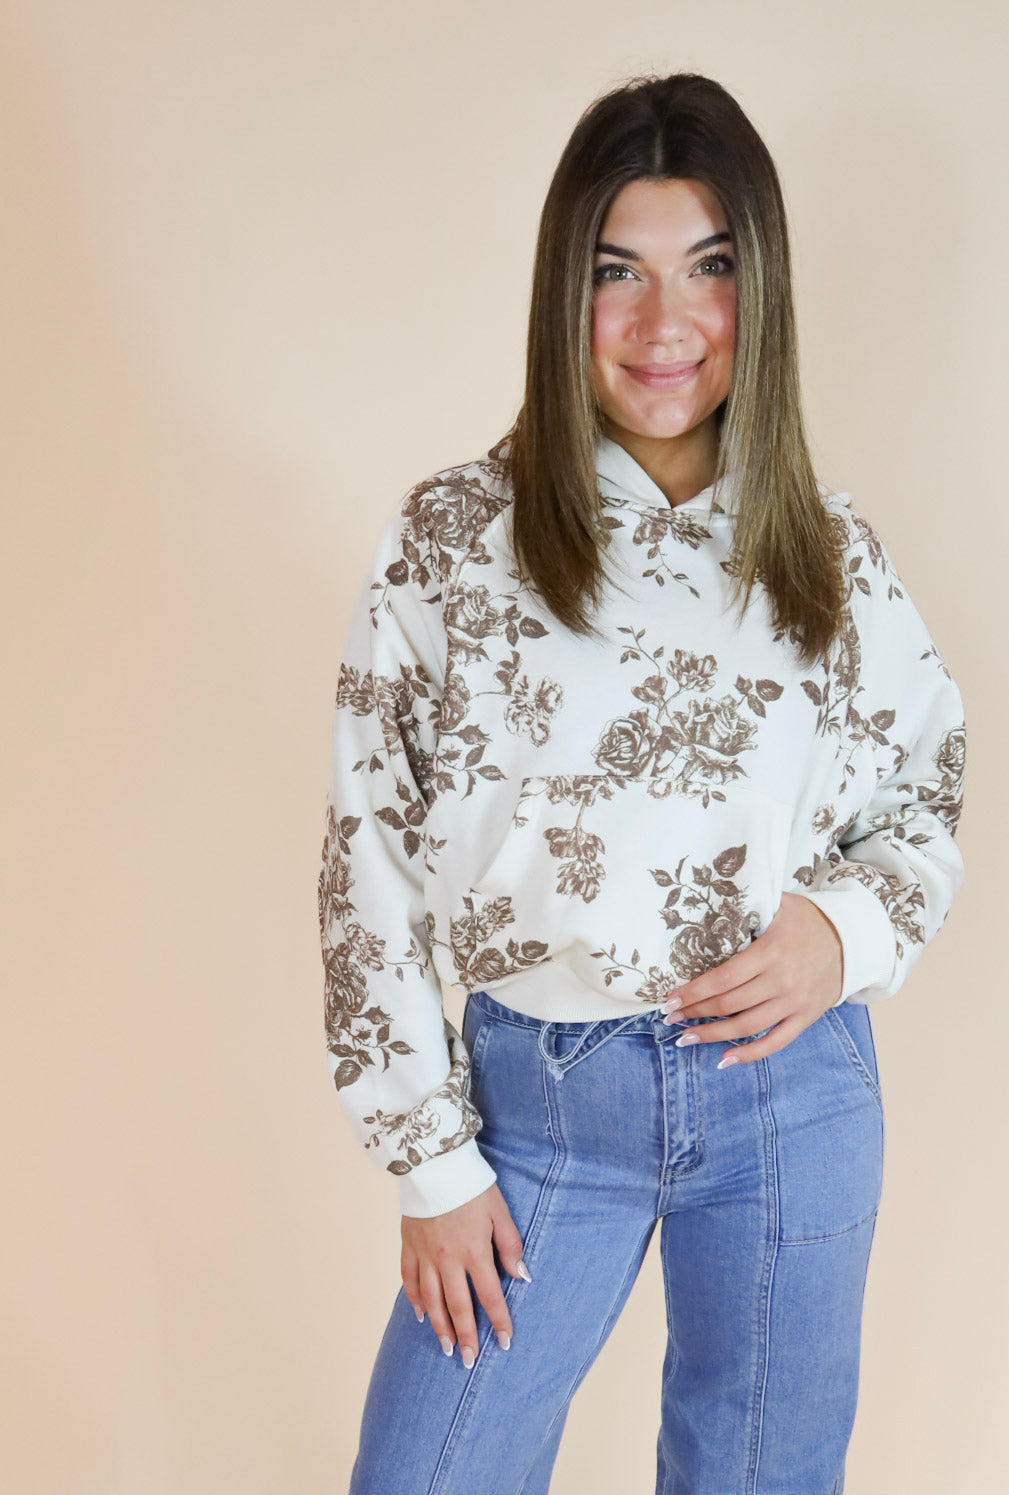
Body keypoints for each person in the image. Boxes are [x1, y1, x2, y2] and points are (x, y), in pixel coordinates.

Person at [318, 71, 966, 1495]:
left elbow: (925, 795)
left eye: (709, 268)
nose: (665, 324)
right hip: (542, 1110)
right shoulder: (452, 543)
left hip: (789, 1100)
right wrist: (431, 1164)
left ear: (761, 292)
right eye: (618, 271)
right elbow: (366, 861)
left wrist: (842, 930)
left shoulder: (829, 555)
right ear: (565, 291)